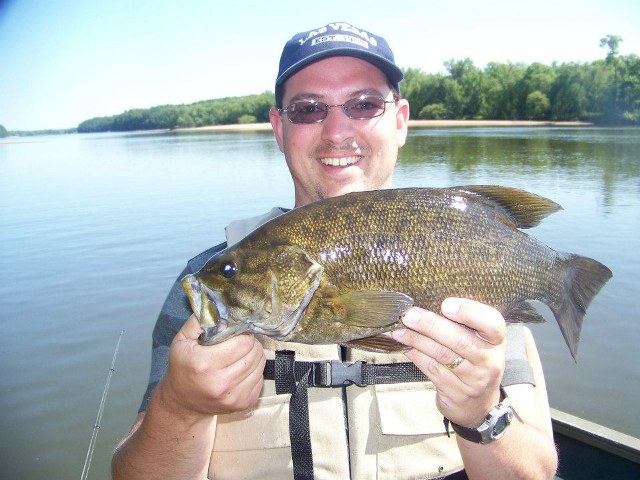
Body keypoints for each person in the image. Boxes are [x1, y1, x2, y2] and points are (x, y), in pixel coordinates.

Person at [112, 21, 558, 479]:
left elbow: (535, 473)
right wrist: (180, 408)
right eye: (308, 110)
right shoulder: (205, 284)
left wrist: (482, 413)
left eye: (364, 105)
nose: (337, 131)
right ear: (279, 128)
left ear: (400, 120)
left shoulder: (467, 253)